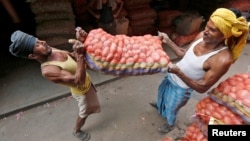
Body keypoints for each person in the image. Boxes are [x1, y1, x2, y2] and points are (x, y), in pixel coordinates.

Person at [151, 8, 249, 134]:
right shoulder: (201, 36)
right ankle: (160, 106)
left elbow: (202, 87)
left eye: (212, 30)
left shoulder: (222, 59)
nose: (206, 32)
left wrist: (179, 72)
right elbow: (183, 53)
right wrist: (168, 40)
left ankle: (170, 124)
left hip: (181, 88)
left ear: (225, 34)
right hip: (171, 76)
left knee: (172, 108)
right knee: (162, 94)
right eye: (207, 26)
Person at [9, 27, 101, 141]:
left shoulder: (50, 50)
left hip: (86, 81)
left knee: (93, 98)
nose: (43, 42)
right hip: (82, 92)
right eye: (37, 45)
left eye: (39, 40)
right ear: (32, 56)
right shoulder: (48, 71)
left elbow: (71, 55)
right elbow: (78, 81)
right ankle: (76, 130)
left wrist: (81, 41)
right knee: (84, 112)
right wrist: (81, 55)